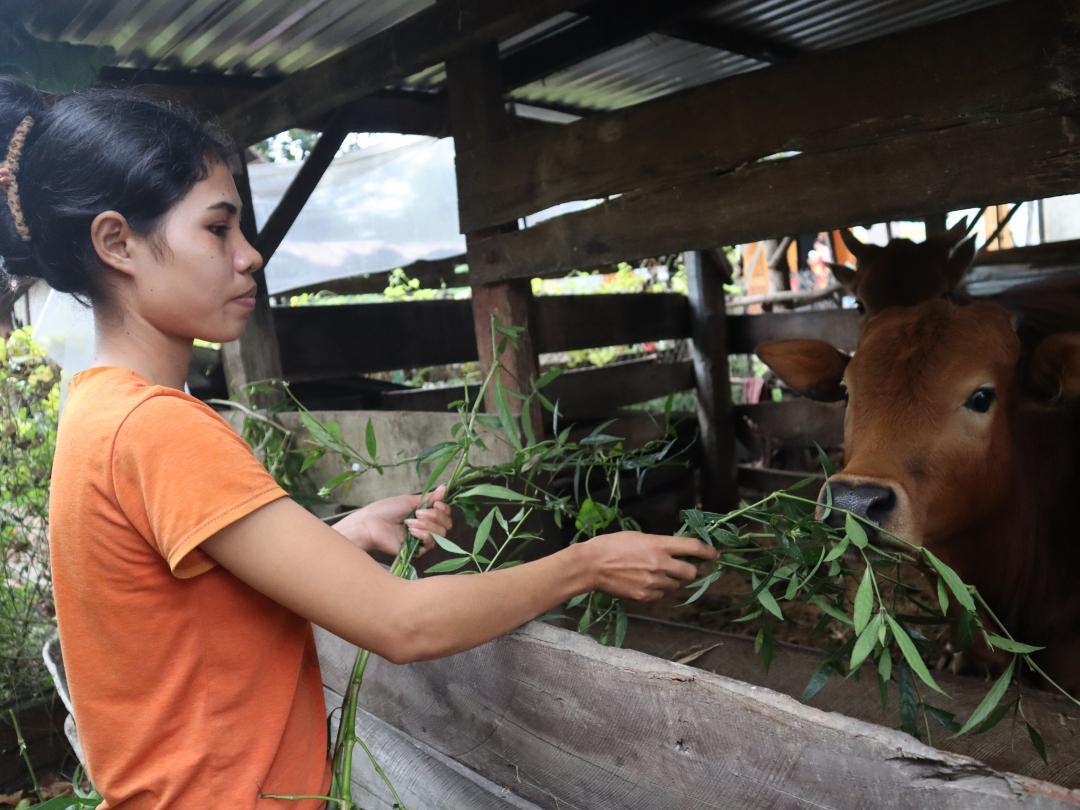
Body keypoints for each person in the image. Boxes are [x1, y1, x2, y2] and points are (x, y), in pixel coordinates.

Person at [0, 78, 718, 809]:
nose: (250, 256)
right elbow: (402, 623)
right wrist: (586, 563)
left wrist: (339, 536)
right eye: (217, 230)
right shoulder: (160, 427)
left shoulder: (99, 413)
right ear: (117, 241)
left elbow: (190, 604)